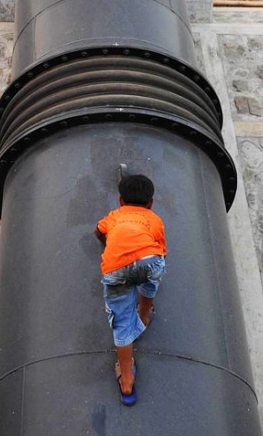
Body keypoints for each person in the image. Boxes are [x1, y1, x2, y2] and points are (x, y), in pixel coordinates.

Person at [95, 174, 167, 406]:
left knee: (122, 322)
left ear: (120, 201)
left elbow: (98, 231)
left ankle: (126, 379)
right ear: (151, 203)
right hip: (149, 260)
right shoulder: (155, 219)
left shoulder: (114, 216)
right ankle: (144, 314)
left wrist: (111, 243)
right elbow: (161, 249)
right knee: (150, 278)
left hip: (116, 268)